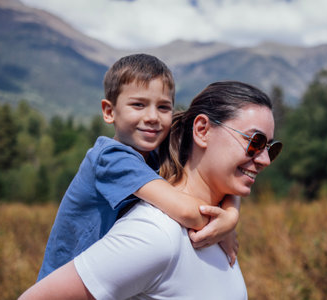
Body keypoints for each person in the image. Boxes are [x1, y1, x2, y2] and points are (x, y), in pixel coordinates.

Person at [19, 81, 283, 299]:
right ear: (202, 130)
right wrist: (228, 219)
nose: (265, 160)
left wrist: (230, 215)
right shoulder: (157, 233)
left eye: (271, 148)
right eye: (255, 142)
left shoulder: (218, 234)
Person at [37, 54, 240, 281]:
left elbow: (221, 176)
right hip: (67, 287)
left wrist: (231, 212)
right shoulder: (111, 159)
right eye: (138, 105)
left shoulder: (156, 150)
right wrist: (227, 223)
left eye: (163, 107)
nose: (152, 117)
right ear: (109, 111)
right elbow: (187, 212)